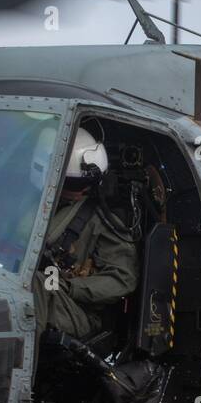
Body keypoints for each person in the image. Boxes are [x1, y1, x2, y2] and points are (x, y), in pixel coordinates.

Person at [31, 125, 139, 341]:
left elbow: (123, 278)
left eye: (87, 184)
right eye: (75, 183)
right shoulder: (25, 205)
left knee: (35, 284)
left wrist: (71, 287)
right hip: (40, 293)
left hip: (76, 310)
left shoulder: (100, 220)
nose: (83, 191)